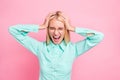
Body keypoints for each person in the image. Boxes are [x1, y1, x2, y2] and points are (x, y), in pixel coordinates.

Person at [8, 11, 104, 80]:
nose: (56, 32)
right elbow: (13, 30)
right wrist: (42, 26)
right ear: (48, 29)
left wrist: (72, 28)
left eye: (61, 28)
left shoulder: (73, 49)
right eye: (52, 28)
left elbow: (98, 36)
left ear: (65, 30)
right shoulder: (39, 48)